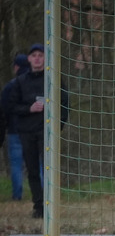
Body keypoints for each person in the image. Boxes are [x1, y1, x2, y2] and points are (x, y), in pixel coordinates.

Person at [1, 43, 69, 218]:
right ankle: (38, 206)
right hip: (26, 132)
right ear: (29, 59)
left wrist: (57, 128)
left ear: (46, 58)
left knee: (49, 169)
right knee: (32, 170)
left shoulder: (53, 79)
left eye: (41, 55)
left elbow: (64, 105)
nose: (37, 58)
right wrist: (28, 109)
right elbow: (11, 106)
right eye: (34, 55)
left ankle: (51, 204)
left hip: (47, 133)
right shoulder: (20, 82)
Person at [1, 53, 31, 201]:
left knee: (16, 165)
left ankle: (17, 195)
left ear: (16, 67)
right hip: (33, 130)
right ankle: (43, 193)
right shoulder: (35, 83)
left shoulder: (9, 87)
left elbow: (4, 109)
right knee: (38, 164)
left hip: (14, 131)